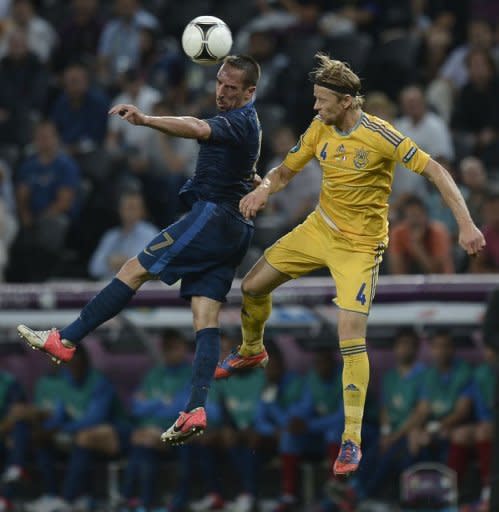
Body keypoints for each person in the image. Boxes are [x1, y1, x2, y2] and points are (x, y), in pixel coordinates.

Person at [214, 53, 485, 476]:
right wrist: (264, 189)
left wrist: (465, 223)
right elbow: (285, 171)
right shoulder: (320, 127)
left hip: (359, 248)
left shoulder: (380, 135)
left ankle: (352, 441)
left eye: (322, 100)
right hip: (319, 228)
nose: (315, 107)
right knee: (250, 287)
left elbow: (437, 171)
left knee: (349, 337)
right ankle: (252, 350)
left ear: (347, 101)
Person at [17, 54, 262, 445]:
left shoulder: (235, 120)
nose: (222, 92)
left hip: (213, 217)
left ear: (251, 92)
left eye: (232, 88)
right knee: (206, 313)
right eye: (219, 82)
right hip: (235, 229)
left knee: (133, 269)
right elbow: (242, 164)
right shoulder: (247, 125)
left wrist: (147, 120)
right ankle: (195, 407)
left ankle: (65, 340)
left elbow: (196, 127)